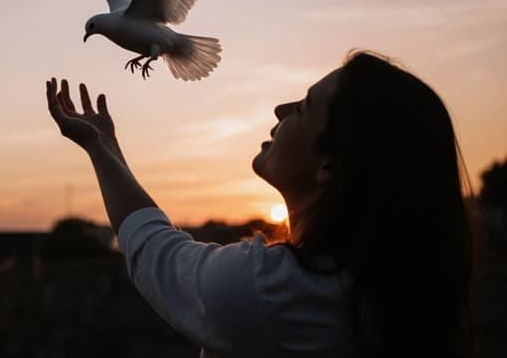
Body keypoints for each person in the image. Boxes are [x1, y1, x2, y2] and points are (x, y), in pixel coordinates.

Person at [45, 50, 476, 358]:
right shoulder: (389, 293)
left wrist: (101, 150)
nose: (280, 108)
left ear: (329, 165)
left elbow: (154, 253)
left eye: (303, 108)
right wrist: (106, 147)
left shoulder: (278, 291)